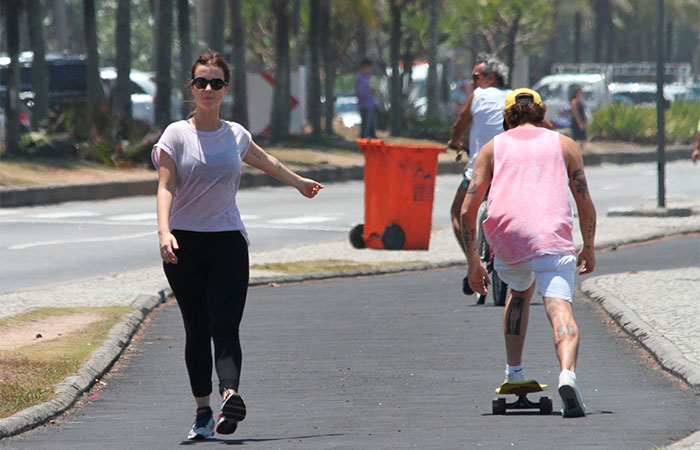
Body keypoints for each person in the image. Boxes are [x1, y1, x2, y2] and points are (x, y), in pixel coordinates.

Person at [152, 52, 324, 440]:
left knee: (226, 325)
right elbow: (165, 187)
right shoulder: (176, 135)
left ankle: (229, 394)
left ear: (226, 88)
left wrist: (300, 183)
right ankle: (202, 413)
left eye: (216, 83)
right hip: (184, 244)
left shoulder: (236, 134)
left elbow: (268, 161)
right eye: (201, 82)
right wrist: (164, 232)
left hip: (229, 242)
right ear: (191, 87)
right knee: (196, 329)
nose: (208, 89)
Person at [460, 88, 597, 418]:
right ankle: (567, 375)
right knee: (559, 308)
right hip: (552, 235)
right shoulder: (565, 145)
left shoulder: (491, 148)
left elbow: (467, 211)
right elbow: (584, 201)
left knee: (518, 293)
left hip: (509, 236)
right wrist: (589, 246)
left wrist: (473, 263)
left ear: (506, 117)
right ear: (542, 114)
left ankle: (515, 373)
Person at [446, 53, 510, 295]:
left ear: (490, 77)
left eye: (476, 77)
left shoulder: (479, 96)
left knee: (457, 213)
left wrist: (454, 141)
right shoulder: (514, 98)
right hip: (510, 169)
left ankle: (474, 262)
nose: (472, 82)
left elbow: (459, 125)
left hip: (479, 170)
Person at [355, 57, 377, 139]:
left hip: (370, 104)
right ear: (364, 67)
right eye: (369, 67)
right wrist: (370, 91)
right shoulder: (360, 78)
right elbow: (360, 93)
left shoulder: (367, 78)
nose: (370, 69)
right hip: (364, 105)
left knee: (372, 125)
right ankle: (363, 142)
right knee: (365, 126)